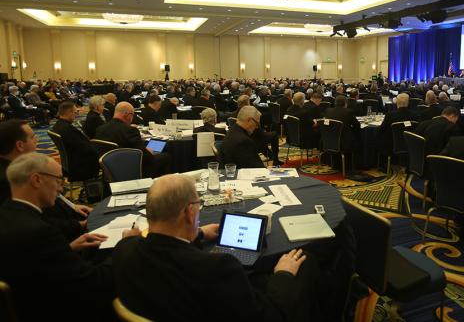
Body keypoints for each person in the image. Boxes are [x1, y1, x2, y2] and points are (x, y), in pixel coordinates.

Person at [112, 174, 310, 321]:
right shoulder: (218, 268)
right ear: (190, 213)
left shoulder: (124, 250)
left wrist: (198, 234)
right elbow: (266, 316)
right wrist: (283, 275)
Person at [0, 153, 132, 322]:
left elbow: (32, 261)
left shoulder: (8, 212)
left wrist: (69, 248)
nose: (61, 188)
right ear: (37, 180)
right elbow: (94, 286)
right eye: (58, 180)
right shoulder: (39, 232)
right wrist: (126, 244)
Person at [0, 119, 92, 241]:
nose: (37, 140)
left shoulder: (23, 166)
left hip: (68, 219)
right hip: (61, 237)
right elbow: (38, 221)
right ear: (20, 145)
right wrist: (79, 225)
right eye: (33, 137)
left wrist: (72, 206)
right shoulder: (10, 180)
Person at [96, 102, 170, 178]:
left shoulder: (100, 129)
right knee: (165, 155)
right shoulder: (130, 130)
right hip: (132, 167)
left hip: (110, 168)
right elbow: (144, 156)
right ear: (128, 115)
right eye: (132, 115)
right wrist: (149, 151)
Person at [52, 101, 100, 182]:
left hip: (70, 163)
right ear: (69, 112)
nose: (76, 115)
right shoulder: (67, 129)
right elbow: (86, 149)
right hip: (80, 166)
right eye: (75, 112)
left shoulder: (58, 125)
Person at [378, 93, 415, 157]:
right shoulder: (415, 115)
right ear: (408, 103)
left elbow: (381, 129)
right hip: (410, 144)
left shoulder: (390, 115)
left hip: (392, 145)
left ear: (396, 103)